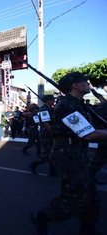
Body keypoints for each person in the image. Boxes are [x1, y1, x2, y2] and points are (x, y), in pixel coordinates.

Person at [30, 72, 107, 235]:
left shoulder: (77, 104)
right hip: (68, 155)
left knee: (91, 195)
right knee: (74, 196)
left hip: (79, 152)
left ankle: (88, 229)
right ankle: (42, 217)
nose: (88, 83)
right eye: (84, 81)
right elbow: (88, 134)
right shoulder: (67, 106)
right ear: (75, 85)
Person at [28, 95, 56, 175]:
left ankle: (52, 170)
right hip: (46, 133)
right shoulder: (44, 109)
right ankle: (34, 164)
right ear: (48, 101)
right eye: (52, 99)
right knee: (46, 153)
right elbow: (46, 123)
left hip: (48, 132)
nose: (54, 101)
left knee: (52, 153)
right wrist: (52, 133)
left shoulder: (50, 108)